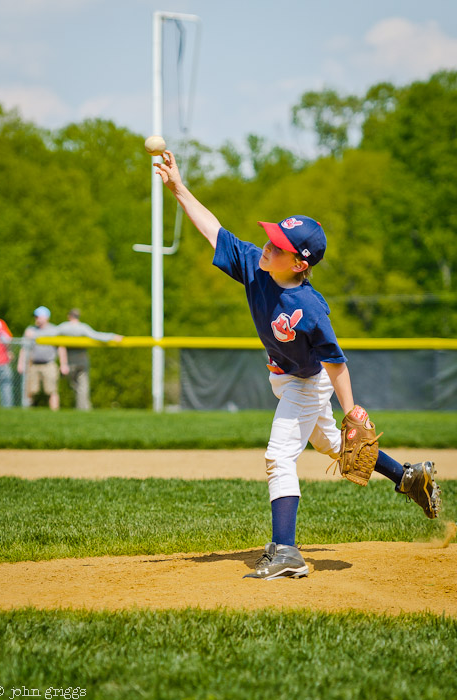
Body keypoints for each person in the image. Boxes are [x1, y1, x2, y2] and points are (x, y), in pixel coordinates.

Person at [154, 150, 442, 581]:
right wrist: (178, 187)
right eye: (271, 239)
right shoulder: (256, 266)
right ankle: (408, 477)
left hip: (306, 385)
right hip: (286, 379)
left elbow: (335, 362)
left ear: (300, 263)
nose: (268, 246)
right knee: (336, 449)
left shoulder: (310, 307)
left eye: (279, 246)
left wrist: (353, 410)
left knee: (279, 456)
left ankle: (287, 551)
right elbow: (214, 229)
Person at [54, 309, 123, 410]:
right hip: (82, 359)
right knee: (83, 386)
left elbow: (50, 333)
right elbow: (96, 335)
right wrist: (112, 336)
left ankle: (82, 408)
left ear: (69, 316)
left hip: (69, 361)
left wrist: (34, 334)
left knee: (75, 386)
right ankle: (84, 408)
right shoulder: (83, 328)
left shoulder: (64, 327)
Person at [17, 306, 69, 411]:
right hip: (33, 364)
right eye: (35, 317)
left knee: (52, 390)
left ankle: (55, 413)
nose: (37, 319)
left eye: (38, 316)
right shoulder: (30, 330)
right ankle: (27, 412)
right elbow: (24, 349)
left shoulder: (54, 330)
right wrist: (21, 363)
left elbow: (61, 348)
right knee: (30, 390)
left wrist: (64, 364)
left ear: (46, 317)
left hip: (49, 364)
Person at [0, 307, 14, 408]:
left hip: (0, 360)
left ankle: (5, 407)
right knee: (5, 385)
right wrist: (9, 351)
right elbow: (7, 339)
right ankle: (7, 407)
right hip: (1, 359)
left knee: (5, 384)